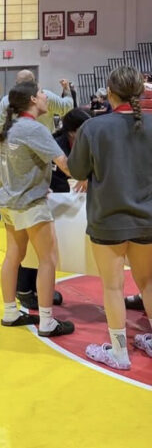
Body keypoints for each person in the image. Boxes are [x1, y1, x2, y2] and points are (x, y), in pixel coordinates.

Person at [69, 66, 152, 369]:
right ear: (140, 92)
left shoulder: (93, 127)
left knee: (113, 286)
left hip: (107, 218)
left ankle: (119, 352)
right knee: (148, 281)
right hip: (147, 218)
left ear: (109, 92)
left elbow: (77, 170)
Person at [0, 81, 75, 337]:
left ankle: (10, 312)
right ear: (32, 99)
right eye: (41, 93)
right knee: (48, 259)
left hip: (8, 200)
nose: (45, 97)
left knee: (13, 256)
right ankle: (48, 321)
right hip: (29, 203)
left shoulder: (11, 126)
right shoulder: (34, 129)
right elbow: (66, 165)